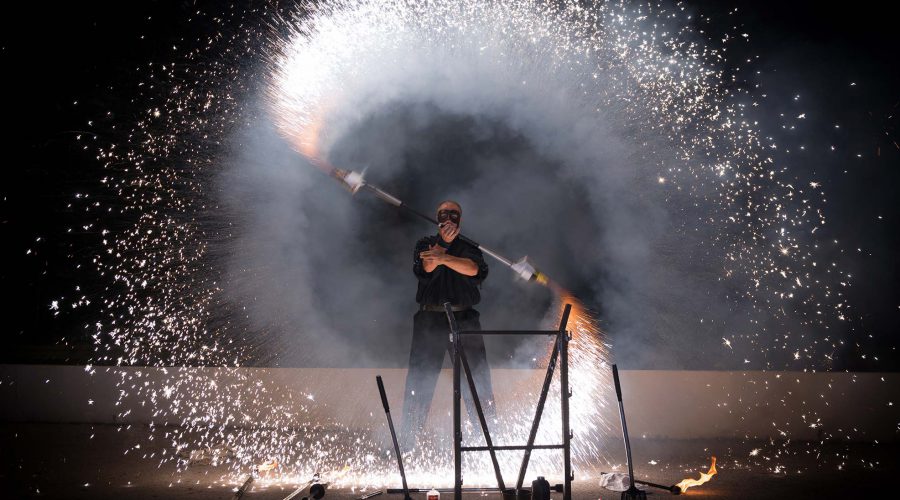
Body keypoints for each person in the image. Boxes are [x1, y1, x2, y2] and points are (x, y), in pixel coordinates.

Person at [400, 200, 496, 451]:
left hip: (464, 319)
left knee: (476, 380)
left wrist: (444, 256)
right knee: (419, 380)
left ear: (460, 219)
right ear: (437, 217)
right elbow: (427, 266)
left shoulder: (470, 247)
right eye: (444, 213)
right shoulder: (425, 244)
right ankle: (408, 443)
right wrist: (441, 250)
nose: (450, 217)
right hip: (429, 320)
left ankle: (489, 442)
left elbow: (473, 269)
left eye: (455, 213)